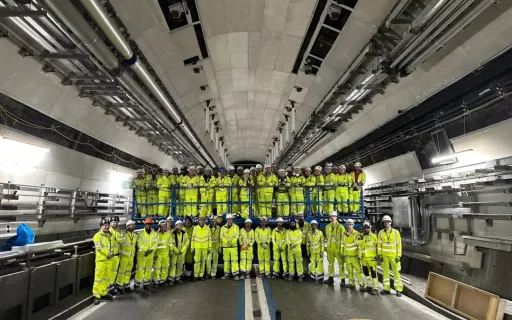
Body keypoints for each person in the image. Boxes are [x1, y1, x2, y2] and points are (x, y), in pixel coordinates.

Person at [378, 215, 403, 297]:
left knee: (396, 273)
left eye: (388, 222)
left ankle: (398, 289)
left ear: (391, 222)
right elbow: (379, 245)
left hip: (394, 256)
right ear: (383, 223)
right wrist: (380, 255)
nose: (387, 224)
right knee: (385, 273)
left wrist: (398, 256)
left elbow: (399, 245)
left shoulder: (396, 232)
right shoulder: (381, 233)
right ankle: (386, 289)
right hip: (384, 257)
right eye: (385, 222)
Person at [92, 218, 114, 305]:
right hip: (101, 261)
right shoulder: (97, 236)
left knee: (106, 278)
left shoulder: (110, 235)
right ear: (101, 226)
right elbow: (99, 247)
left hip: (109, 260)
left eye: (108, 226)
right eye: (105, 226)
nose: (106, 227)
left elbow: (112, 245)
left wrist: (112, 253)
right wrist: (108, 253)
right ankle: (96, 296)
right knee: (98, 279)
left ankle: (103, 293)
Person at [135, 218, 157, 290]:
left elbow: (156, 243)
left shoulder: (154, 233)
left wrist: (151, 250)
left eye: (149, 224)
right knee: (140, 269)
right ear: (144, 225)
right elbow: (139, 243)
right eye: (147, 224)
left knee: (148, 269)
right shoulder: (141, 234)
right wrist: (146, 250)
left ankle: (146, 284)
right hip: (142, 255)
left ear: (151, 225)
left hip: (150, 254)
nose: (148, 226)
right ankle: (137, 284)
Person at [325, 211, 346, 286]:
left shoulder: (341, 227)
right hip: (330, 248)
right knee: (330, 264)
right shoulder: (327, 226)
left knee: (341, 264)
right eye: (331, 216)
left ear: (336, 217)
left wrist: (342, 250)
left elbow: (343, 240)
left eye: (333, 216)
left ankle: (343, 279)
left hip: (338, 249)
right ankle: (331, 278)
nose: (332, 218)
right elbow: (327, 237)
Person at [116, 220, 137, 293]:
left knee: (128, 272)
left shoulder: (135, 235)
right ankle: (119, 285)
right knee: (122, 272)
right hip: (124, 257)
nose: (132, 226)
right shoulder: (123, 234)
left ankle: (126, 285)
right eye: (130, 225)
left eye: (133, 225)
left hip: (131, 257)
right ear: (127, 227)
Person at [342, 219, 364, 289]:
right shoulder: (344, 234)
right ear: (346, 225)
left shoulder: (356, 234)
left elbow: (359, 246)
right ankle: (351, 283)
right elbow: (342, 244)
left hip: (355, 256)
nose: (349, 226)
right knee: (349, 270)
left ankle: (361, 284)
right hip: (347, 256)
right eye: (348, 224)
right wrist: (342, 252)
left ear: (353, 225)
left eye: (351, 224)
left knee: (358, 271)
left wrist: (359, 255)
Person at [359, 221, 378, 295]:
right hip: (364, 258)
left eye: (368, 228)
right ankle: (369, 286)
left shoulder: (373, 236)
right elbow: (358, 243)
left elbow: (372, 244)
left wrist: (363, 242)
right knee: (366, 273)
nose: (366, 229)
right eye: (365, 228)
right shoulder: (361, 236)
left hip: (371, 258)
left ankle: (375, 288)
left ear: (370, 228)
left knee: (373, 273)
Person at [191, 216, 212, 281]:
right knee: (197, 262)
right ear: (198, 221)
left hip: (205, 247)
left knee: (203, 261)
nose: (202, 221)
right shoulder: (195, 228)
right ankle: (195, 275)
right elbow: (193, 238)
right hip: (197, 247)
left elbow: (209, 238)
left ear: (205, 221)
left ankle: (201, 275)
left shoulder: (207, 228)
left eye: (203, 220)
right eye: (201, 220)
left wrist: (209, 246)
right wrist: (192, 247)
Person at [169, 220, 189, 285]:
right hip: (175, 253)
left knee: (180, 265)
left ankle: (177, 278)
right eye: (178, 225)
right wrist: (177, 251)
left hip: (181, 253)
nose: (179, 227)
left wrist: (182, 251)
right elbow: (171, 243)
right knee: (173, 265)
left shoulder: (184, 233)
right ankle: (171, 279)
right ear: (175, 226)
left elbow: (187, 242)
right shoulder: (172, 233)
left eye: (180, 225)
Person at [221, 214, 240, 280]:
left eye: (231, 219)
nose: (229, 220)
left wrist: (231, 242)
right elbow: (221, 236)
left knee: (234, 260)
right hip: (226, 247)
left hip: (233, 247)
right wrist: (227, 242)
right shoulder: (223, 227)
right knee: (226, 261)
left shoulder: (236, 227)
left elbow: (237, 236)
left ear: (232, 219)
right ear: (226, 220)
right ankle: (226, 274)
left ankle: (235, 274)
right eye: (228, 219)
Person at [108, 216, 123, 295]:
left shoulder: (118, 231)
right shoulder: (108, 231)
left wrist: (118, 239)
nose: (115, 223)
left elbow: (121, 241)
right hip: (110, 256)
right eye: (113, 222)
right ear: (110, 223)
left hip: (117, 255)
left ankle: (111, 287)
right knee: (109, 273)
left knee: (114, 272)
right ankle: (107, 289)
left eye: (116, 222)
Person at [154, 220, 171, 286]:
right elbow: (154, 244)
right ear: (159, 227)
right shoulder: (156, 234)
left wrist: (171, 251)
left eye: (164, 226)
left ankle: (163, 280)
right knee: (157, 268)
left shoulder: (168, 234)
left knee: (165, 268)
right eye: (162, 226)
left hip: (166, 254)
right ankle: (156, 281)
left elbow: (170, 243)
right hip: (158, 254)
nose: (163, 228)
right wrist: (155, 254)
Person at [296, 212, 311, 277]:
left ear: (304, 217)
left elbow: (310, 234)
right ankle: (299, 272)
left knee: (305, 259)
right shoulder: (295, 225)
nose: (300, 217)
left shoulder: (308, 225)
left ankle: (305, 272)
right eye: (299, 216)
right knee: (298, 259)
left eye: (302, 216)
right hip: (298, 245)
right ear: (297, 218)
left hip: (305, 245)